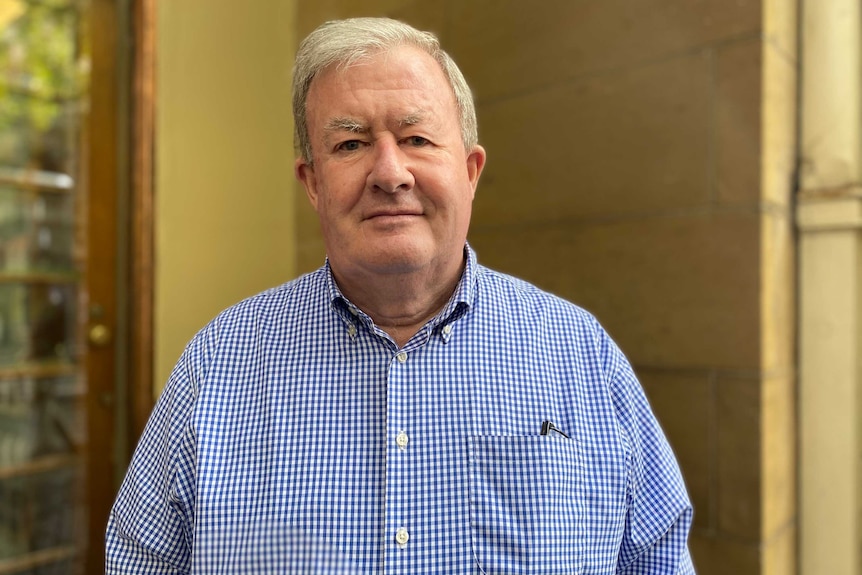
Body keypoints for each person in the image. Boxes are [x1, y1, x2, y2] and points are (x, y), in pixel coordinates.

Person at [106, 17, 696, 575]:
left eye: (416, 137)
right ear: (312, 183)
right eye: (350, 145)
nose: (390, 173)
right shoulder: (218, 364)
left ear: (470, 170)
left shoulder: (580, 354)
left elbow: (656, 557)